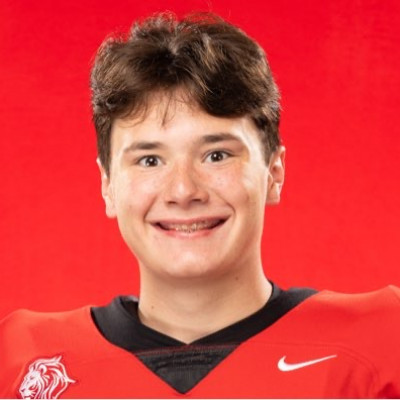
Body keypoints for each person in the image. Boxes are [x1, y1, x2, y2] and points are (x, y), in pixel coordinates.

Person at [1, 11, 399, 399]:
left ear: (274, 172)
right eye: (150, 160)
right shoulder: (21, 362)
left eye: (216, 155)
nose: (183, 190)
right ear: (108, 185)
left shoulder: (379, 342)